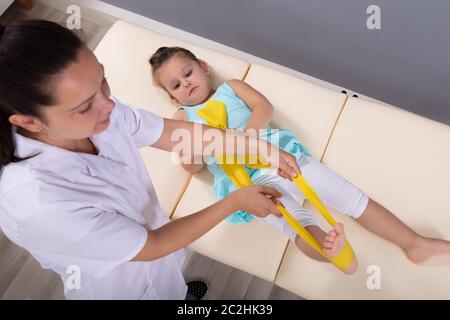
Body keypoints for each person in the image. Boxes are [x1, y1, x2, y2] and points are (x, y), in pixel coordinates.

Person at [0, 20, 300, 300]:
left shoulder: (103, 111)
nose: (109, 104)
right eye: (84, 107)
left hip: (160, 256)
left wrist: (258, 147)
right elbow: (152, 245)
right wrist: (233, 202)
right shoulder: (38, 206)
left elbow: (174, 133)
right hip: (123, 286)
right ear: (29, 121)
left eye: (103, 81)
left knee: (173, 288)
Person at [149, 46, 450, 274]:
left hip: (281, 158)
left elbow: (263, 107)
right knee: (295, 224)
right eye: (175, 85)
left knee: (348, 196)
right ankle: (332, 253)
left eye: (187, 73)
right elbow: (193, 166)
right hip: (249, 184)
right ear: (174, 98)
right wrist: (193, 152)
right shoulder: (182, 118)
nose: (185, 84)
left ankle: (414, 243)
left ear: (203, 67)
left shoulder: (231, 88)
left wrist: (247, 137)